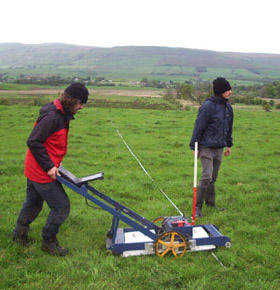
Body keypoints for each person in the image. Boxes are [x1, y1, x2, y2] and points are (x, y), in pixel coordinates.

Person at [13, 83, 89, 256]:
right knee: (61, 206)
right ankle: (49, 241)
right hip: (41, 171)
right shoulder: (53, 117)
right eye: (80, 103)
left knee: (33, 203)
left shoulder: (60, 113)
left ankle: (19, 235)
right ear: (72, 101)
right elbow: (33, 141)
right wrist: (49, 166)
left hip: (36, 167)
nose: (82, 107)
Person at [189, 77, 234, 218]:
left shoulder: (228, 107)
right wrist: (193, 146)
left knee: (213, 177)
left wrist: (229, 145)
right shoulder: (208, 106)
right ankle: (197, 207)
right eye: (227, 90)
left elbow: (229, 128)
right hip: (206, 147)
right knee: (207, 176)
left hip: (219, 148)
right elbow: (199, 126)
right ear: (220, 91)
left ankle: (211, 203)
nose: (230, 92)